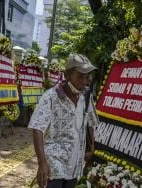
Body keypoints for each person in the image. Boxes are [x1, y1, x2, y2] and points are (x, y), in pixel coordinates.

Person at [28, 54, 99, 188]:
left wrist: (91, 146)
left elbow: (91, 121)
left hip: (75, 163)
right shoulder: (50, 97)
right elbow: (37, 128)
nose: (85, 81)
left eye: (87, 76)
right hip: (53, 165)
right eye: (80, 76)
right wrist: (42, 162)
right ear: (67, 75)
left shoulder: (86, 96)